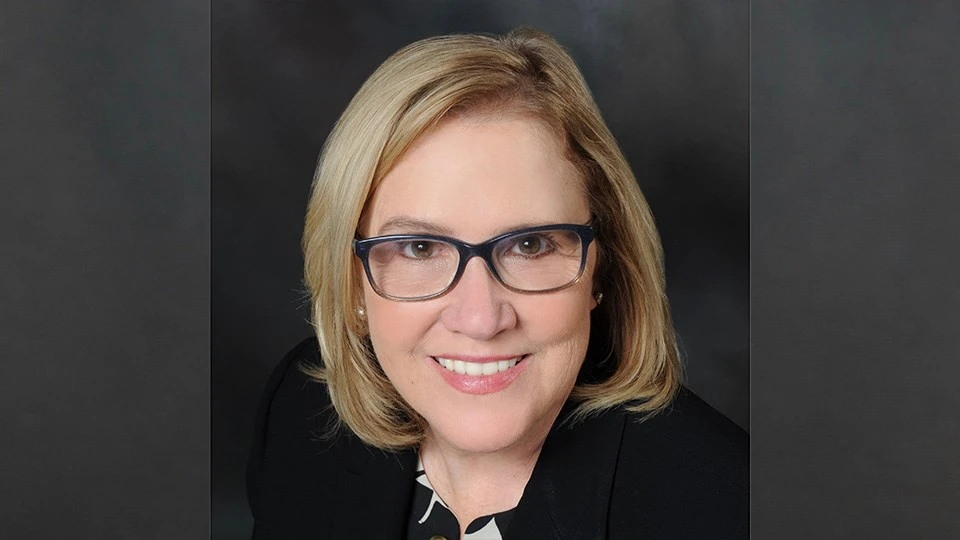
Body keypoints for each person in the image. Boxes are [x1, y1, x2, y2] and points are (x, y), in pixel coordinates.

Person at [247, 27, 747, 539]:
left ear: (603, 266)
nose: (482, 319)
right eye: (420, 248)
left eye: (529, 246)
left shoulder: (728, 508)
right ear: (352, 283)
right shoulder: (304, 410)